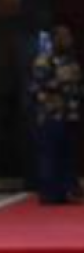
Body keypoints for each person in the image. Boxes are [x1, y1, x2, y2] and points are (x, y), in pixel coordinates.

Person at [30, 25, 82, 205]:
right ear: (55, 40)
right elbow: (38, 86)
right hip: (51, 116)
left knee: (67, 155)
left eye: (69, 36)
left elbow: (76, 85)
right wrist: (62, 81)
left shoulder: (70, 60)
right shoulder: (44, 61)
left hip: (70, 115)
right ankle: (49, 194)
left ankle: (65, 191)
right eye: (64, 37)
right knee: (49, 155)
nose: (69, 40)